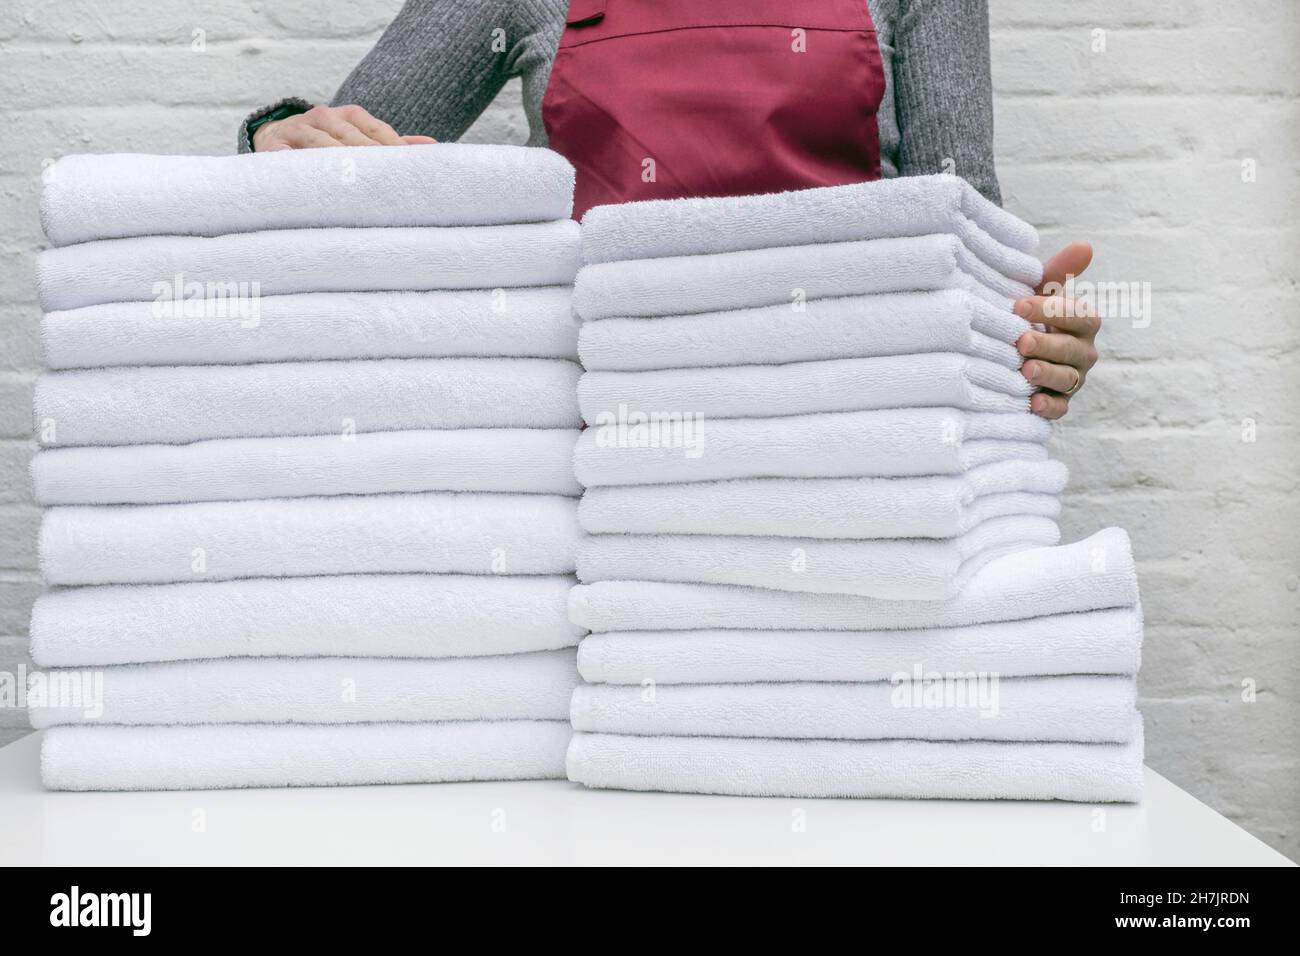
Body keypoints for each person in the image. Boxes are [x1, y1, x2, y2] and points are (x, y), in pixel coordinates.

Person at [240, 0, 1098, 418]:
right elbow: (348, 172)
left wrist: (1026, 337)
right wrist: (279, 138)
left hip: (853, 419)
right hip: (600, 421)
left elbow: (965, 222)